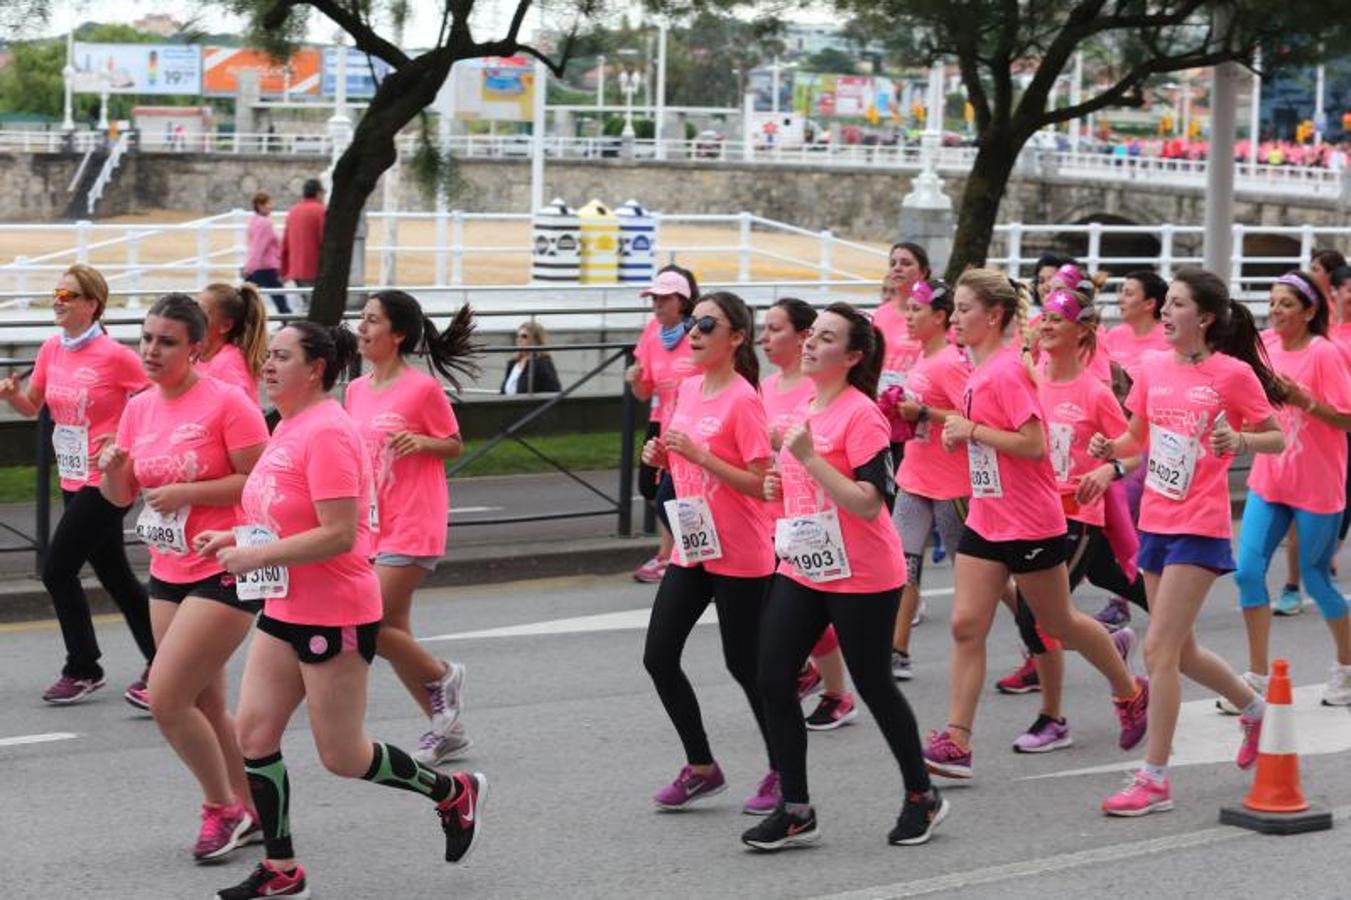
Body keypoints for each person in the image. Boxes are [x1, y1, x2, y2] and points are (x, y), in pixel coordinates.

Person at [199, 322, 485, 900]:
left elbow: (338, 534)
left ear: (318, 370)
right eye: (268, 356)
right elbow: (284, 515)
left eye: (282, 357)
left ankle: (452, 792)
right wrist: (232, 537)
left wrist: (251, 554)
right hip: (285, 606)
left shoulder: (329, 432)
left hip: (336, 612)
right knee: (254, 735)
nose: (268, 366)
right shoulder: (287, 426)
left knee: (343, 756)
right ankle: (282, 870)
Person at [921, 269, 1147, 783]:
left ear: (993, 316)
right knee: (965, 624)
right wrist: (963, 436)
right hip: (987, 516)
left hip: (1033, 522)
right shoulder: (987, 370)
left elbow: (1033, 445)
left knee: (1058, 623)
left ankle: (1131, 691)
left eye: (963, 309)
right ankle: (957, 739)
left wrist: (972, 429)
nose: (953, 318)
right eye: (953, 309)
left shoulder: (1006, 371)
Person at [745, 302, 947, 851]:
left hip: (863, 572)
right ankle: (795, 808)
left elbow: (867, 502)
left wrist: (808, 461)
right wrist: (780, 487)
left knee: (875, 684)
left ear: (853, 356)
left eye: (826, 338)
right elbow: (808, 490)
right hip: (807, 565)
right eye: (811, 334)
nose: (810, 343)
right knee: (771, 676)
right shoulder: (806, 405)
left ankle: (921, 796)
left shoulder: (863, 416)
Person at [1089, 269, 1284, 816]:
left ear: (1203, 318)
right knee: (1184, 648)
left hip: (1200, 522)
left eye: (1176, 305)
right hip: (1156, 516)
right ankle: (1254, 710)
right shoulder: (1153, 368)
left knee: (1158, 650)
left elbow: (1276, 436)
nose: (1166, 313)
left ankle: (1154, 778)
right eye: (1165, 305)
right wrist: (1110, 448)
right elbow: (1136, 438)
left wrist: (1239, 438)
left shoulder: (1233, 374)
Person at [97, 294, 270, 861]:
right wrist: (113, 472)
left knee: (166, 697)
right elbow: (122, 496)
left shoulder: (228, 403)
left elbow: (257, 482)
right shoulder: (140, 406)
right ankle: (256, 811)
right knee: (205, 701)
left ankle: (220, 807)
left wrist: (188, 493)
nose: (150, 349)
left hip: (227, 563)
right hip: (168, 567)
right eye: (145, 338)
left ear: (196, 349)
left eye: (166, 341)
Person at [640, 291, 778, 815]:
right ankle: (702, 767)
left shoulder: (744, 399)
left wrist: (701, 456)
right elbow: (686, 466)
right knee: (658, 656)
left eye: (707, 324)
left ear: (737, 338)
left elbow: (761, 483)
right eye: (694, 322)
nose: (694, 332)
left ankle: (784, 771)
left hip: (741, 551)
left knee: (747, 666)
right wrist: (664, 457)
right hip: (695, 545)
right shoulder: (690, 388)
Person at [0, 264, 156, 707]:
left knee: (56, 569)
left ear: (93, 304)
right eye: (56, 293)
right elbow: (34, 406)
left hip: (106, 479)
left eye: (69, 295)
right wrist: (11, 394)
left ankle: (83, 666)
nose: (58, 301)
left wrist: (122, 438)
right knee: (116, 576)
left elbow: (158, 402)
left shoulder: (116, 356)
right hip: (71, 475)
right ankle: (165, 660)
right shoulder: (52, 349)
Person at [1006, 288, 1148, 753]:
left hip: (1076, 517)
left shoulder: (1094, 392)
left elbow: (1133, 446)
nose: (1046, 325)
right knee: (1049, 620)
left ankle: (1061, 716)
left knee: (1036, 619)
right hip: (1029, 511)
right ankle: (1109, 643)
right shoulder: (1030, 379)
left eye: (1058, 319)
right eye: (1043, 317)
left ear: (1082, 330)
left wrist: (1110, 468)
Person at [347, 292, 479, 765]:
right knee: (393, 632)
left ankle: (445, 675)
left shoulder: (421, 390)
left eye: (372, 321)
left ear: (397, 333)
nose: (361, 328)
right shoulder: (356, 390)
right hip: (374, 524)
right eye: (361, 319)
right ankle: (448, 730)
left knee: (366, 622)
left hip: (414, 519)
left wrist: (421, 441)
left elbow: (453, 444)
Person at [1231, 272, 1351, 708]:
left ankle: (1346, 669)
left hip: (1317, 485)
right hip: (1271, 478)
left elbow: (1347, 419)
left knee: (1317, 581)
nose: (1276, 311)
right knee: (1246, 571)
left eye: (1286, 304)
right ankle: (1256, 678)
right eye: (1272, 301)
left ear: (1309, 311)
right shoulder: (1267, 345)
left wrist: (1304, 401)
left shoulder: (1325, 355)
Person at [758, 297, 854, 729]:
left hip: (816, 518)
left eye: (775, 328)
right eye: (764, 328)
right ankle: (805, 673)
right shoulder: (766, 387)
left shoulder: (816, 388)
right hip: (773, 510)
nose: (766, 337)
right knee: (779, 607)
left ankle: (837, 692)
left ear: (803, 335)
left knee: (807, 609)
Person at [886, 281, 970, 681]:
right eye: (909, 309)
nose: (909, 315)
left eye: (917, 310)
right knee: (904, 564)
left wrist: (923, 412)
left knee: (975, 573)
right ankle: (897, 650)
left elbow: (974, 417)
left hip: (952, 485)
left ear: (940, 317)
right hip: (914, 478)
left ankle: (1034, 630)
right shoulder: (922, 357)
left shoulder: (952, 362)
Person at [629, 265, 699, 584]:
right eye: (653, 299)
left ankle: (672, 555)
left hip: (695, 426)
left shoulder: (698, 333)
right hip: (662, 421)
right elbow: (643, 391)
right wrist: (634, 379)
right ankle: (684, 551)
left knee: (680, 490)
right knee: (651, 486)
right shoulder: (650, 333)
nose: (656, 305)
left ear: (682, 302)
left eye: (663, 299)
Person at [197, 282, 269, 401]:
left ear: (226, 326)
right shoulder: (197, 357)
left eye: (202, 313)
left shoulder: (228, 367)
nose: (192, 317)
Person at [280, 178, 326, 313]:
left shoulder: (293, 211)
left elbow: (285, 243)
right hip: (316, 268)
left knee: (306, 305)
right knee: (318, 309)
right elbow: (325, 241)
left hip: (297, 270)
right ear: (318, 193)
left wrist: (283, 270)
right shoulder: (321, 211)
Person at [243, 191, 288, 315]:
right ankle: (286, 324)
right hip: (267, 268)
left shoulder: (254, 221)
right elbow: (258, 248)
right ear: (259, 205)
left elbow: (254, 246)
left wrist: (249, 267)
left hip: (258, 267)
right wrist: (250, 268)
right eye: (268, 203)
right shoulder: (265, 223)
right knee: (280, 301)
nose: (271, 206)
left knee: (249, 300)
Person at [501, 320, 561, 394]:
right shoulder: (513, 363)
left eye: (524, 336)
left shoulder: (542, 363)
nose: (519, 340)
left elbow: (554, 391)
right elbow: (503, 391)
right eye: (517, 336)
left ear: (536, 340)